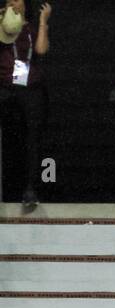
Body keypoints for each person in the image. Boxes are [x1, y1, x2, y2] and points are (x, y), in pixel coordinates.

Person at [0, 0, 51, 212]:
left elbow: (40, 49)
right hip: (5, 85)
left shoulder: (30, 27)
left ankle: (31, 189)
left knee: (32, 137)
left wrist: (43, 21)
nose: (14, 2)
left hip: (30, 87)